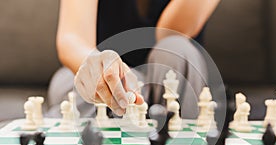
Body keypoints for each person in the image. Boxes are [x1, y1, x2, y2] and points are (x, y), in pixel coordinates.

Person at [47, 0, 220, 119]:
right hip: (104, 75)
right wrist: (98, 66)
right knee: (72, 84)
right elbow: (72, 39)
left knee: (178, 50)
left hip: (171, 77)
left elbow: (169, 32)